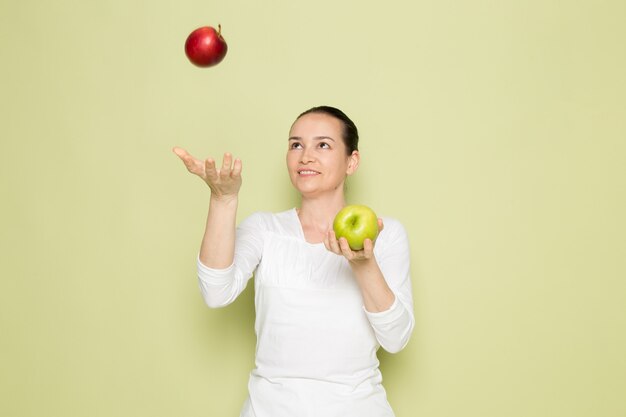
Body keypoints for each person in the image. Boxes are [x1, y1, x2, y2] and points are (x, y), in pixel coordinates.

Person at [173, 106, 414, 417]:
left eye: (323, 145)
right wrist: (223, 200)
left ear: (351, 161)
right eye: (296, 144)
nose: (305, 157)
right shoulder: (264, 229)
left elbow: (396, 338)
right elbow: (216, 293)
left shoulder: (385, 234)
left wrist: (363, 264)